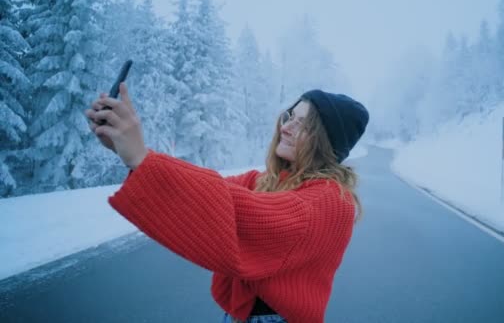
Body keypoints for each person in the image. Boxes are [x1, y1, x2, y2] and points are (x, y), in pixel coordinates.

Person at [84, 84, 369, 323]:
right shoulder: (268, 181)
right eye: (289, 116)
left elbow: (242, 213)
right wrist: (134, 154)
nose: (287, 127)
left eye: (304, 124)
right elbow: (209, 188)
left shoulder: (332, 201)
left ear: (326, 142)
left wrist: (142, 159)